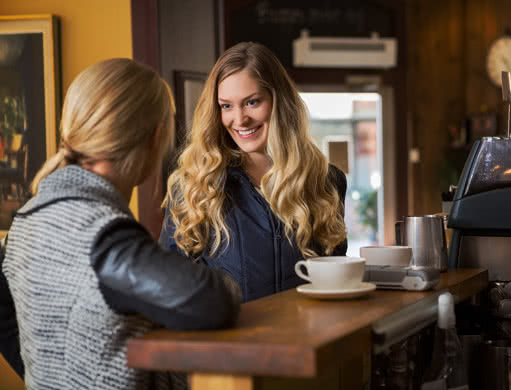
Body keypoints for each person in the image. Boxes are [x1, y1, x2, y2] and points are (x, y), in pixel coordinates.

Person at [0, 58, 241, 390]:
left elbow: (6, 321)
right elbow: (213, 300)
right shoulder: (106, 237)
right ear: (155, 137)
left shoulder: (29, 217)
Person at [160, 42, 348, 302]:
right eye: (226, 106)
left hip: (309, 339)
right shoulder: (194, 184)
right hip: (231, 341)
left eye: (252, 102)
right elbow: (170, 286)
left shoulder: (326, 181)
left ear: (279, 101)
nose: (239, 119)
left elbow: (337, 280)